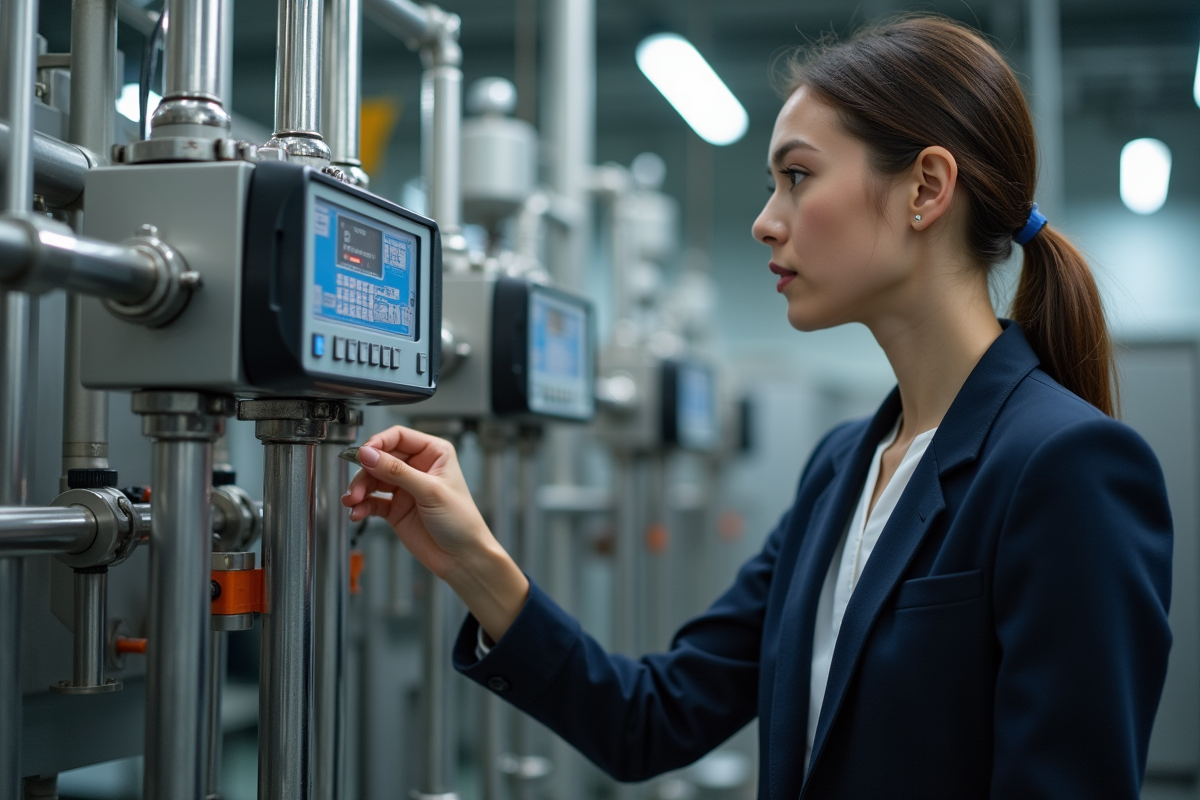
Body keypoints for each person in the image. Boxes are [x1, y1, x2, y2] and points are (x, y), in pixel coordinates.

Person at [343, 15, 1173, 798]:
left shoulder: (1062, 466)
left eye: (797, 177)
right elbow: (652, 719)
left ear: (926, 187)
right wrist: (474, 560)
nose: (764, 223)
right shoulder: (843, 466)